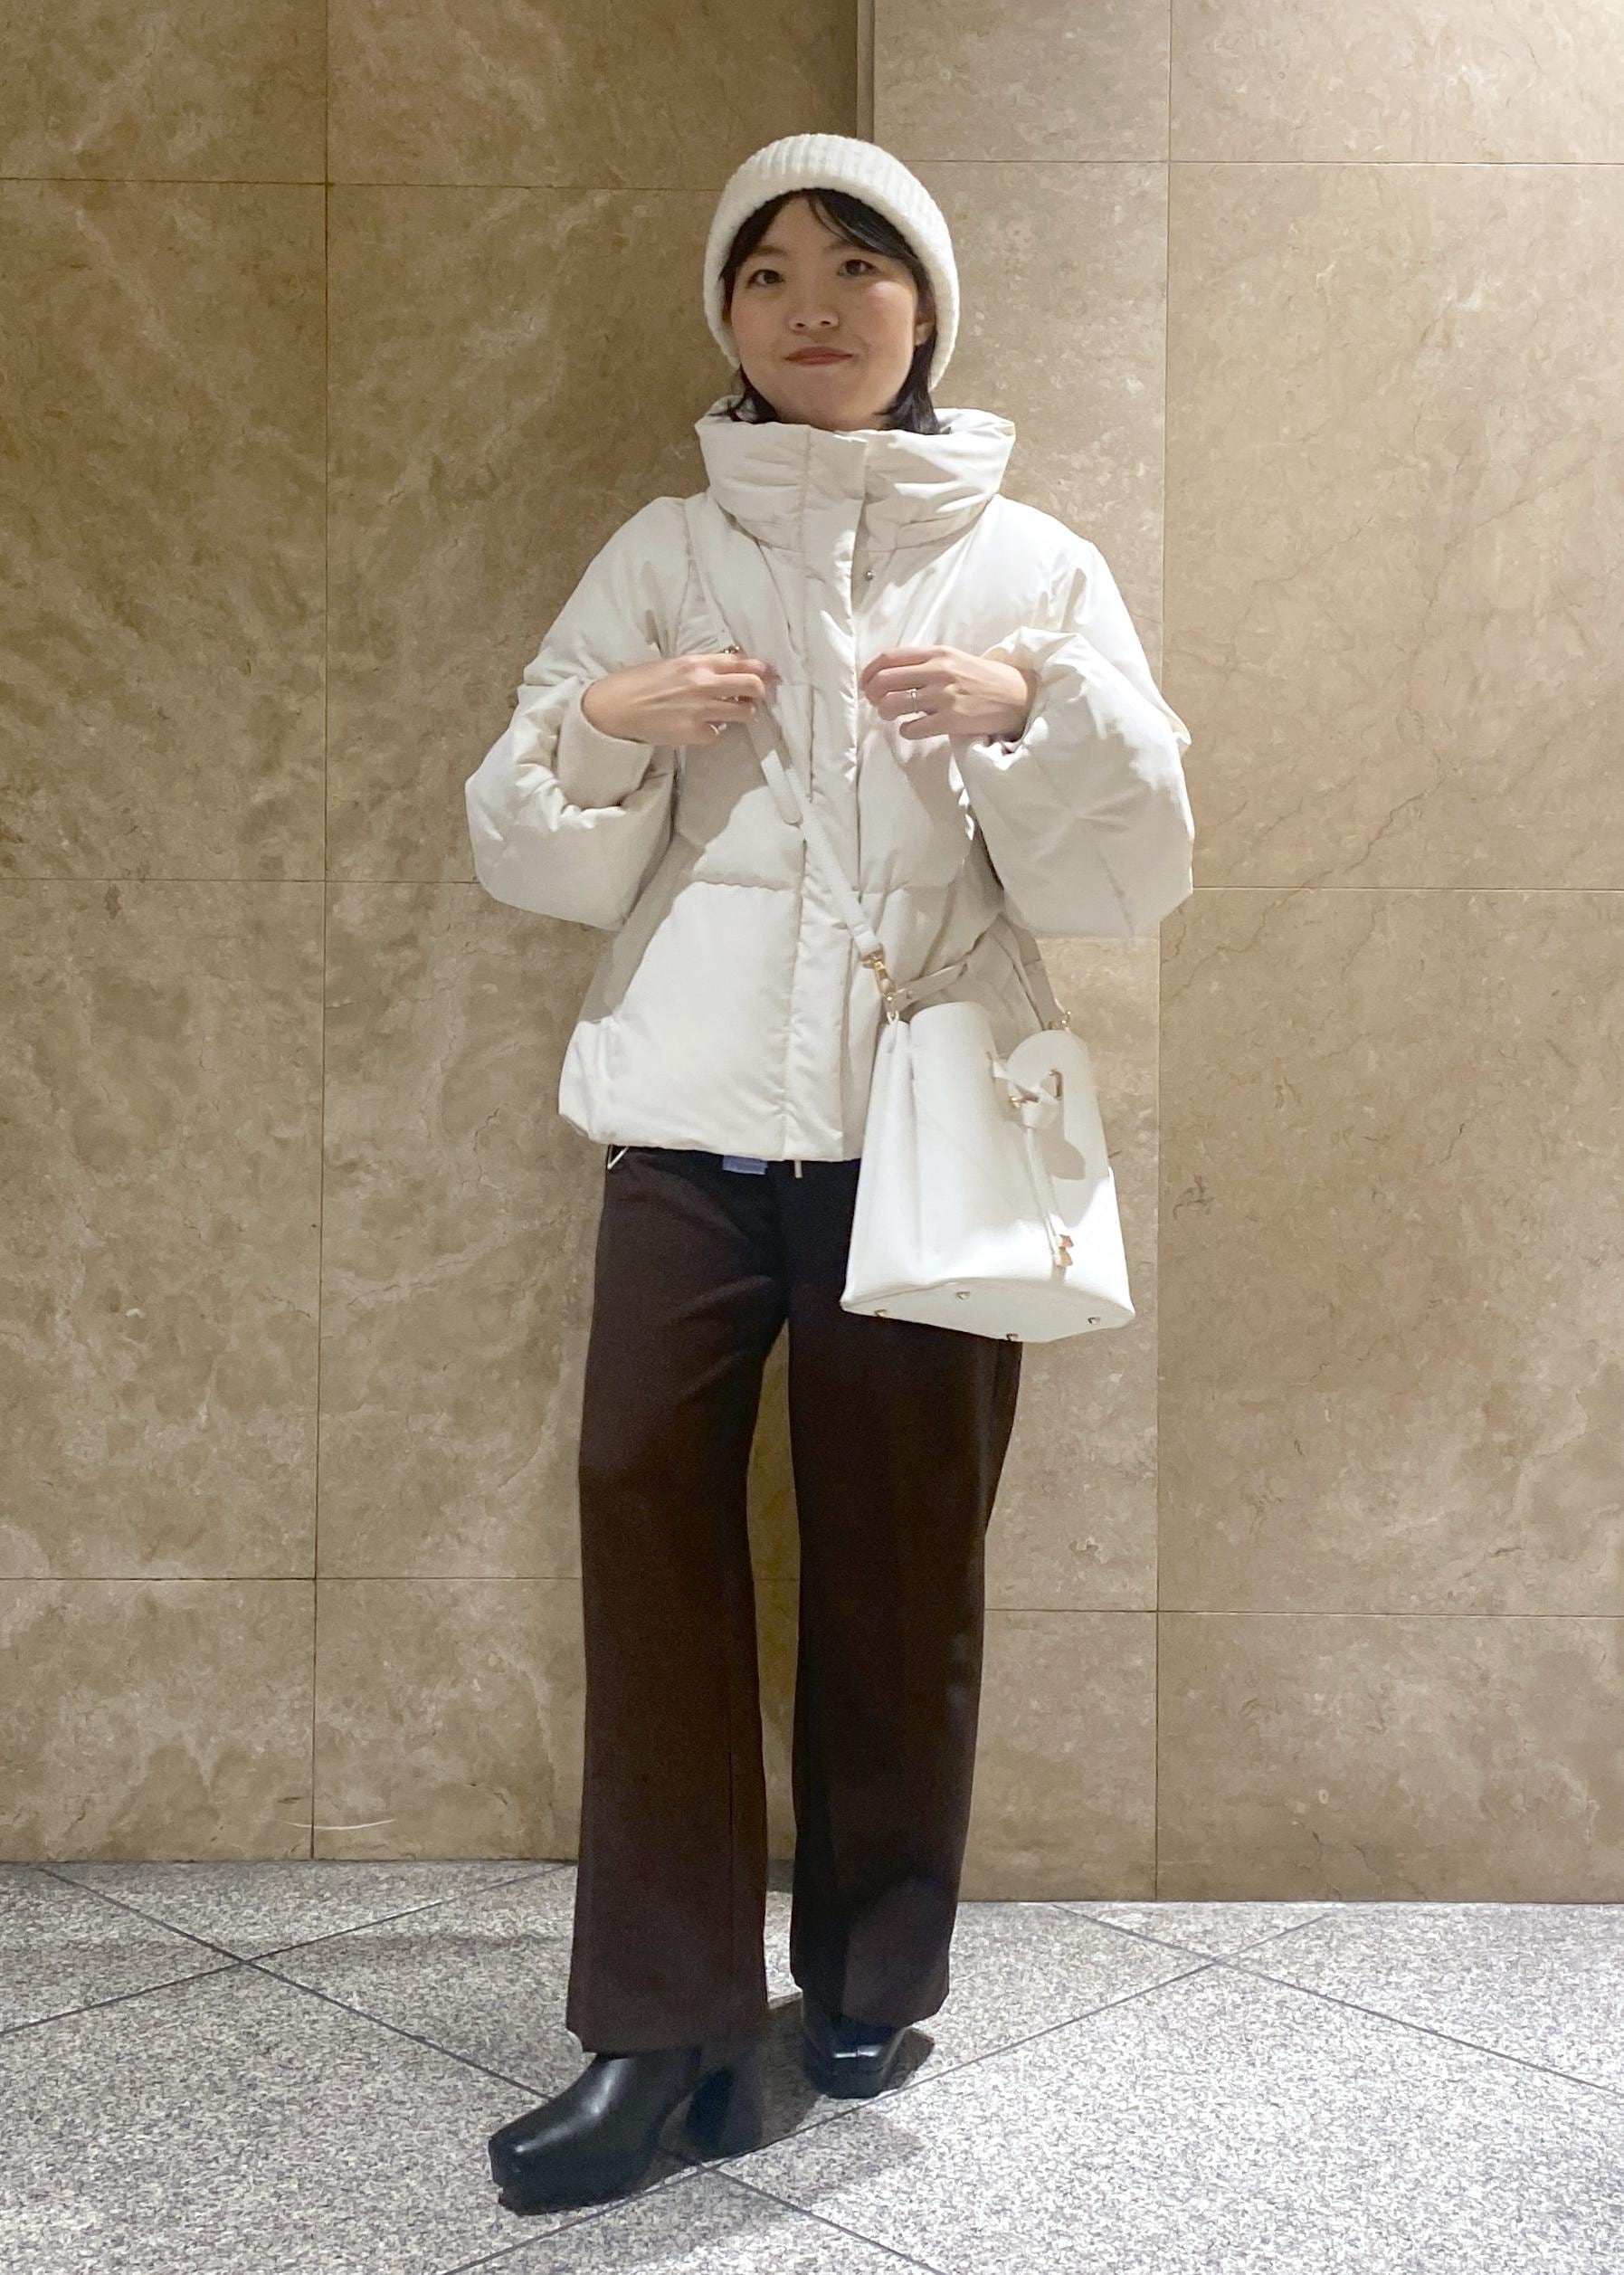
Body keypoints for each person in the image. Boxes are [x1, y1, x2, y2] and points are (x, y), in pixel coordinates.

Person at [466, 132, 1194, 2213]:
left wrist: (1030, 707)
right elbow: (529, 850)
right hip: (689, 1131)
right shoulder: (660, 551)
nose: (810, 304)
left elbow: (1132, 872)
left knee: (900, 1561)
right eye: (767, 269)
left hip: (927, 1138)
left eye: (857, 266)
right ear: (724, 314)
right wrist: (608, 718)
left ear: (925, 307)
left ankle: (872, 1979)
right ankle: (660, 2027)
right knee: (641, 1518)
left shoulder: (1030, 563)